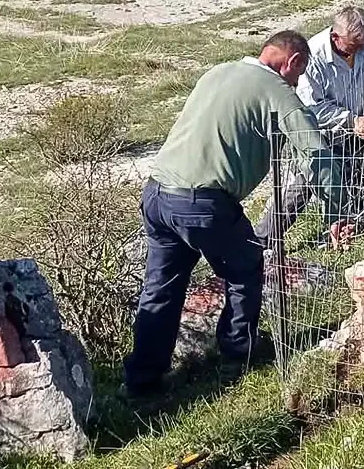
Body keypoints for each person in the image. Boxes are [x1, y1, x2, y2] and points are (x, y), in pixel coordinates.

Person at [123, 30, 350, 398]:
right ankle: (237, 353)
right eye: (299, 74)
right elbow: (316, 151)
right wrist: (339, 211)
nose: (297, 82)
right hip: (204, 202)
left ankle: (142, 381)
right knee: (246, 267)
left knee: (160, 290)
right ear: (291, 62)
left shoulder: (217, 72)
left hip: (157, 194)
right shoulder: (275, 89)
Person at [296, 5, 364, 142]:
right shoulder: (313, 57)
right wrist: (352, 121)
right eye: (355, 45)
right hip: (329, 138)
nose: (362, 48)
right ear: (335, 37)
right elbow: (313, 107)